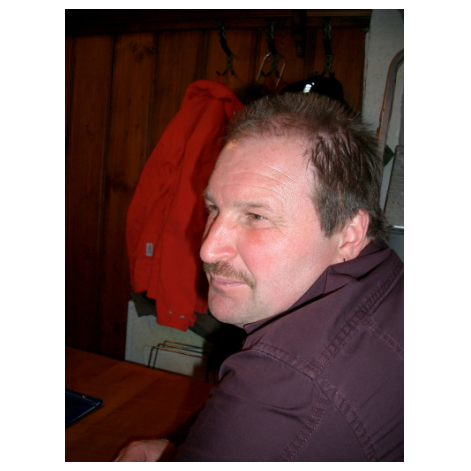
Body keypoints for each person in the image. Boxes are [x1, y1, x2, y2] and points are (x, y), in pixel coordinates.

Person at [115, 93, 404, 462]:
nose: (207, 250)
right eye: (213, 208)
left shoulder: (288, 382)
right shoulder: (384, 273)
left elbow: (284, 399)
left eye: (256, 216)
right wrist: (178, 445)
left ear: (348, 233)